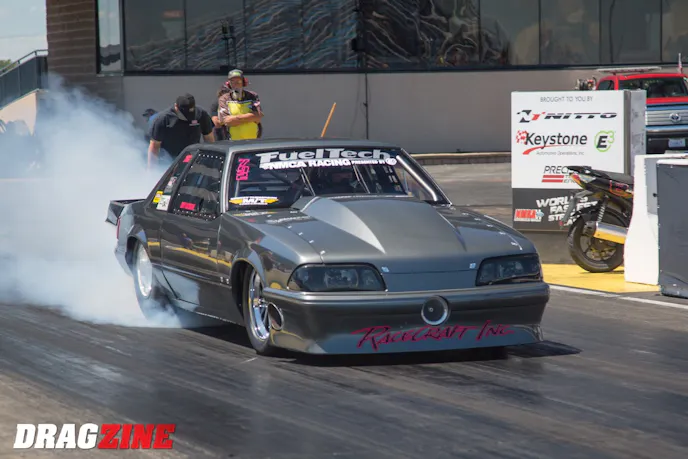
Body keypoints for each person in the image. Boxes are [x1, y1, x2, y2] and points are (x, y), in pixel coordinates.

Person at [147, 94, 215, 169]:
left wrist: (211, 163)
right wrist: (151, 170)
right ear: (176, 107)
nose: (188, 118)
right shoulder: (163, 119)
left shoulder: (201, 115)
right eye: (185, 114)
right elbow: (154, 146)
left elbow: (209, 140)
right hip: (168, 160)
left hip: (191, 158)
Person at [217, 69, 264, 140]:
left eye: (238, 81)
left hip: (253, 140)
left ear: (244, 82)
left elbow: (258, 116)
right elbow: (226, 121)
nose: (235, 84)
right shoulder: (224, 99)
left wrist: (235, 119)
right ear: (228, 84)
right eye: (232, 81)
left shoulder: (252, 96)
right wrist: (249, 117)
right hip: (232, 141)